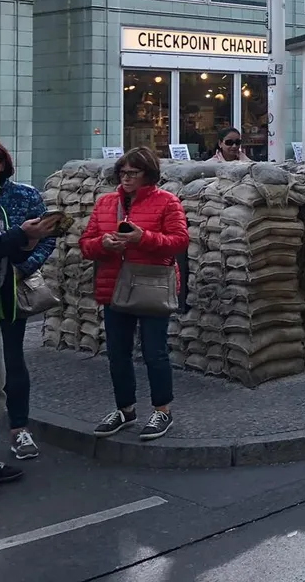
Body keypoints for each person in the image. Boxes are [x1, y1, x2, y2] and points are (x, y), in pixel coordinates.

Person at [80, 147, 189, 442]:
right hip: (114, 284)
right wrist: (104, 244)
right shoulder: (105, 203)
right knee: (117, 353)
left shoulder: (167, 202)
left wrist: (144, 238)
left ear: (148, 174)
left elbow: (179, 241)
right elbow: (86, 244)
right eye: (123, 173)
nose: (126, 178)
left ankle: (162, 410)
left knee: (155, 352)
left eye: (133, 173)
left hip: (151, 284)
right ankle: (124, 408)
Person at [0, 141, 58, 461]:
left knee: (12, 362)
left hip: (10, 291)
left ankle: (19, 429)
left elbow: (49, 235)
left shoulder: (24, 195)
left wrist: (26, 265)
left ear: (2, 165)